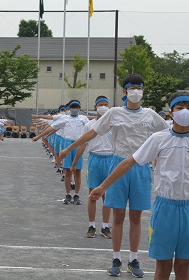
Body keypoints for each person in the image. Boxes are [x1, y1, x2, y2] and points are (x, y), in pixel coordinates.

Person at [60, 74, 169, 278]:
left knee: (136, 217)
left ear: (143, 91)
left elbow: (170, 134)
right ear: (124, 91)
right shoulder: (114, 113)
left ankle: (133, 259)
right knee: (118, 215)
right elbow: (92, 133)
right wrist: (70, 148)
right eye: (132, 87)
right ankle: (116, 258)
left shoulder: (151, 115)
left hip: (141, 166)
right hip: (117, 164)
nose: (136, 91)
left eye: (140, 87)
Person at [90, 91, 189, 280]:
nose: (185, 111)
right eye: (180, 107)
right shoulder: (159, 139)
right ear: (171, 112)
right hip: (165, 207)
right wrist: (103, 186)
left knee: (185, 264)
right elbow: (129, 162)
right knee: (164, 263)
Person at [69, 96, 113, 238]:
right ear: (95, 107)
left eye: (106, 104)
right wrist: (74, 163)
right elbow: (82, 146)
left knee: (108, 196)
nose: (103, 107)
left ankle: (105, 226)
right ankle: (91, 225)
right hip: (94, 159)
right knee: (93, 195)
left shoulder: (114, 124)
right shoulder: (89, 125)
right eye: (100, 104)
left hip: (110, 160)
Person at [33, 100, 89, 205]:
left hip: (78, 145)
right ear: (69, 108)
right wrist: (39, 136)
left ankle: (76, 195)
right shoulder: (65, 118)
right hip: (67, 144)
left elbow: (91, 129)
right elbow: (52, 127)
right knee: (67, 170)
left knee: (78, 171)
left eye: (76, 107)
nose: (74, 109)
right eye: (73, 107)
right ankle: (68, 194)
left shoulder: (83, 119)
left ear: (79, 109)